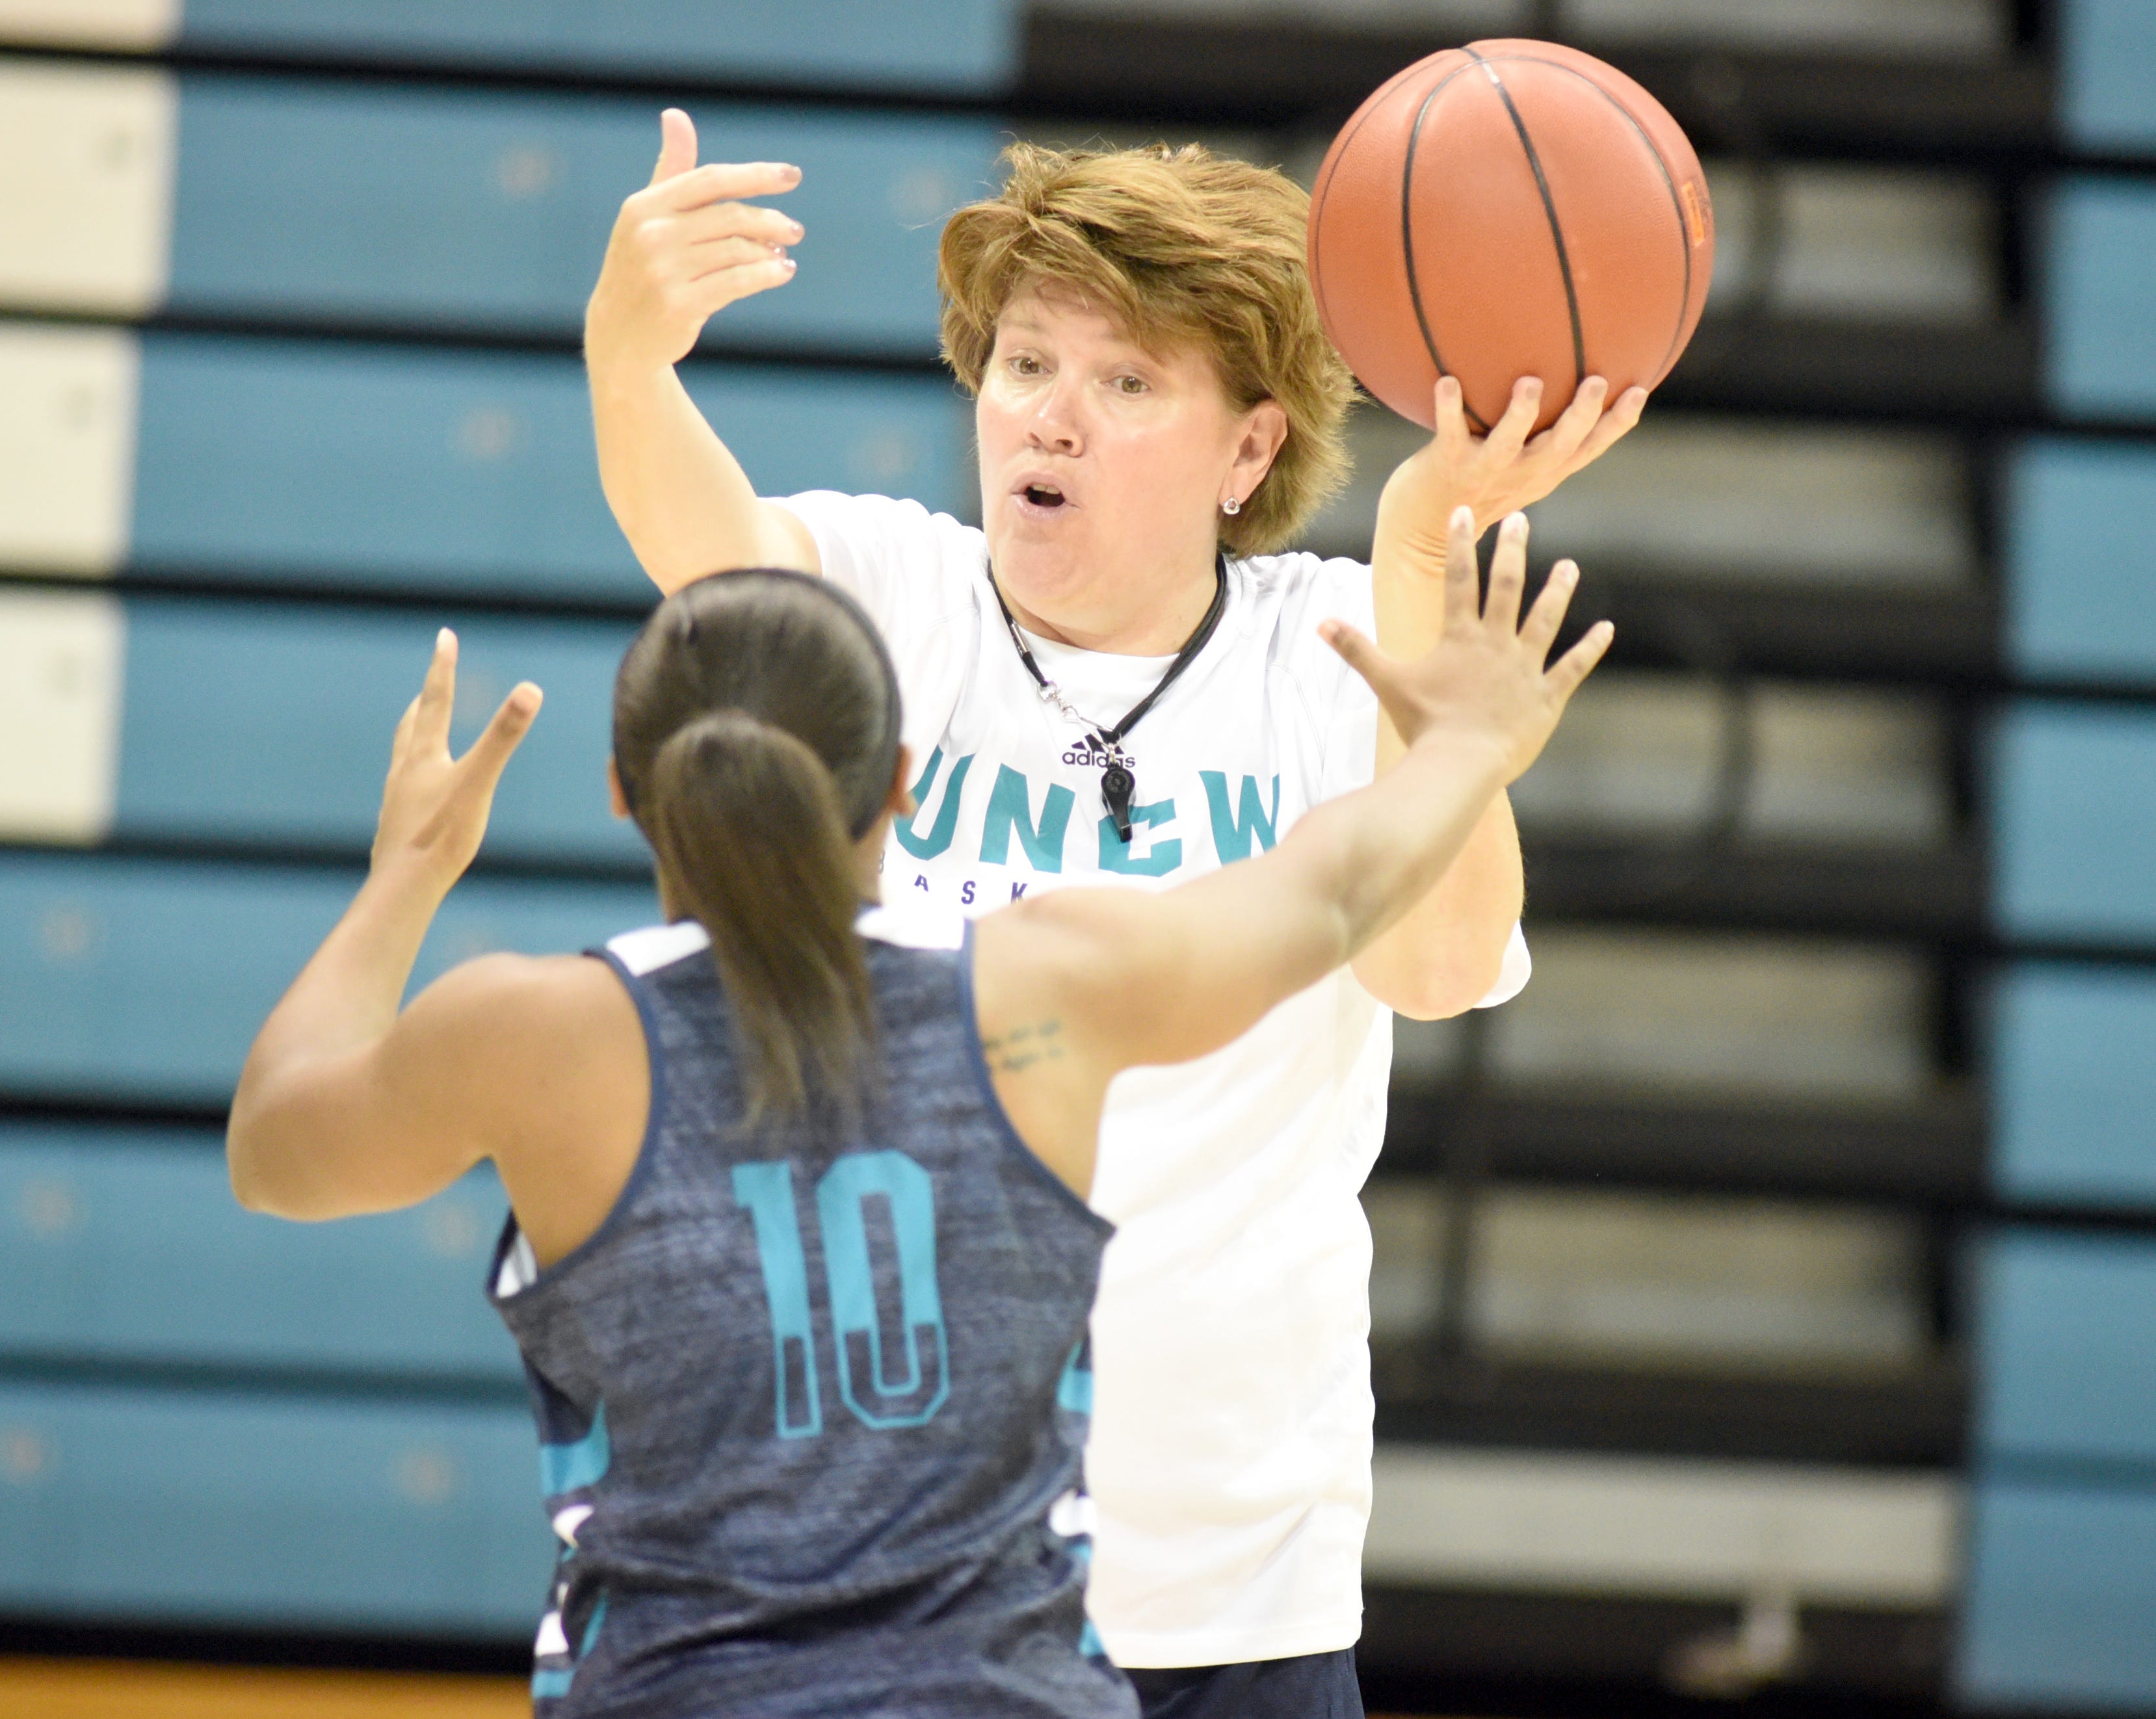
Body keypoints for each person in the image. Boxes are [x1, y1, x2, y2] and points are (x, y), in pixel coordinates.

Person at [582, 111, 1644, 1712]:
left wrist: (1427, 537)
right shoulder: (892, 598)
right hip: (897, 1560)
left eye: (1126, 382)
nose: (1049, 420)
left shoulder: (1337, 639)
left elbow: (1434, 967)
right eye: (1023, 364)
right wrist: (627, 355)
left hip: (1233, 1568)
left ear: (1248, 449)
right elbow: (698, 541)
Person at [226, 519, 1609, 1718]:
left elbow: (274, 1147)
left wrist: (405, 876)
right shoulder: (1042, 990)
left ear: (623, 794)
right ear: (898, 782)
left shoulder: (529, 1035)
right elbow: (1331, 886)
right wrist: (1467, 745)